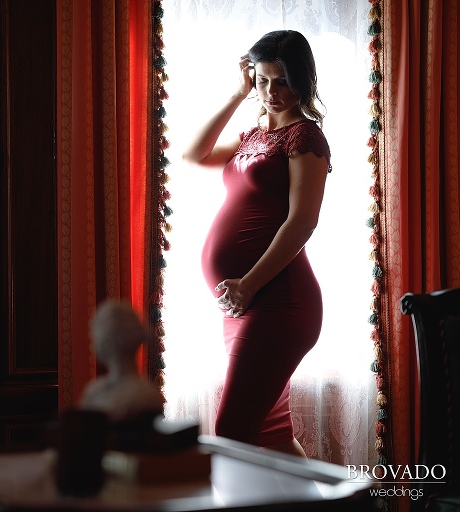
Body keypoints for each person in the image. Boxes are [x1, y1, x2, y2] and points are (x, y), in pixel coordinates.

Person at [182, 30, 331, 458]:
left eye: (280, 82)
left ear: (302, 80)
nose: (270, 92)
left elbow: (302, 223)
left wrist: (247, 284)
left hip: (278, 302)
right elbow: (193, 155)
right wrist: (235, 94)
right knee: (270, 433)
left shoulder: (305, 139)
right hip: (246, 305)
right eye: (262, 81)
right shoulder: (254, 135)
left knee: (232, 434)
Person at [79, 299, 164, 423]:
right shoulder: (94, 390)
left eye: (96, 332)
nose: (93, 340)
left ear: (111, 340)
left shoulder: (143, 396)